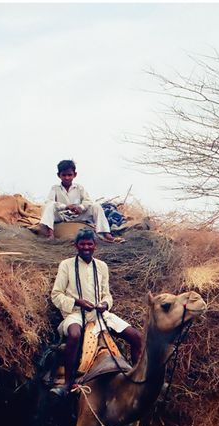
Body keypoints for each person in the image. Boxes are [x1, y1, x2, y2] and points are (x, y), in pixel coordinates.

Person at [49, 228, 143, 395]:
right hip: (75, 313)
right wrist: (77, 302)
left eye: (89, 244)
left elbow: (106, 294)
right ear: (76, 246)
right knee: (75, 334)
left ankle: (136, 380)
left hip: (100, 314)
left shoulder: (101, 266)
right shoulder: (66, 265)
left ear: (95, 246)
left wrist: (105, 305)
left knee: (136, 337)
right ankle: (68, 384)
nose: (86, 247)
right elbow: (56, 295)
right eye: (82, 244)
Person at [39, 159, 116, 242]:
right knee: (48, 206)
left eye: (69, 175)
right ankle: (50, 233)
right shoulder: (55, 188)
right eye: (64, 175)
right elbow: (49, 202)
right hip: (62, 216)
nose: (67, 178)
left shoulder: (79, 188)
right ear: (59, 175)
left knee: (96, 206)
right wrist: (65, 207)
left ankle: (105, 232)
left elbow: (88, 201)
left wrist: (80, 207)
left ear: (75, 175)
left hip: (78, 216)